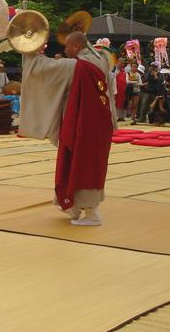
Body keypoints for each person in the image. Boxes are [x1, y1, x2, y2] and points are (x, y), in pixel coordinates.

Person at [19, 32, 117, 226]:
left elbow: (42, 68)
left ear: (75, 47)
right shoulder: (101, 60)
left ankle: (91, 213)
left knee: (82, 165)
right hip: (100, 124)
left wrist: (31, 50)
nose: (64, 51)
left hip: (84, 126)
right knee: (90, 165)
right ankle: (74, 206)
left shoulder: (76, 66)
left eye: (66, 47)